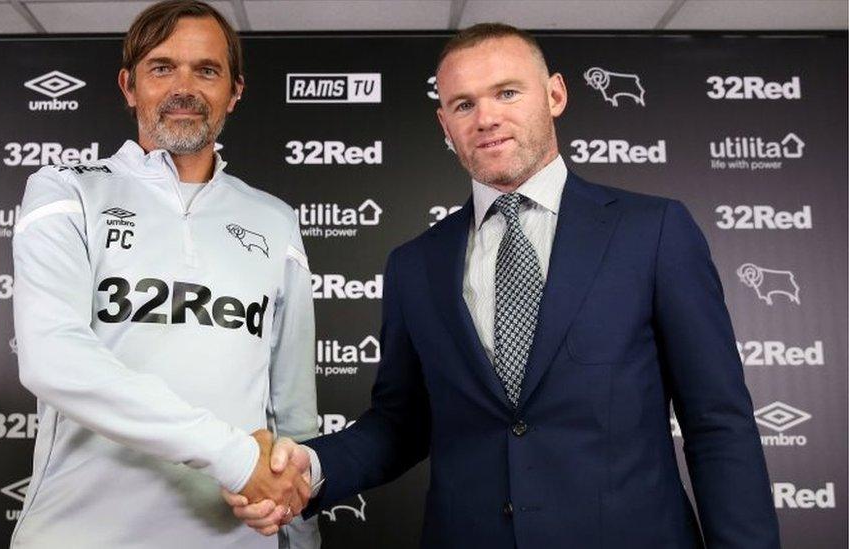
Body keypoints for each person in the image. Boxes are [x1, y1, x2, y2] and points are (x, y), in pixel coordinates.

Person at [225, 23, 780, 548]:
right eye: (463, 104)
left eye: (507, 93)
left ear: (555, 95)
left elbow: (718, 421)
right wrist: (314, 469)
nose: (485, 117)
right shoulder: (416, 264)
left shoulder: (653, 231)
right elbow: (401, 424)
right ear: (445, 125)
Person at [10, 1, 318, 547]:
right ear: (129, 86)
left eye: (207, 70)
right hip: (82, 533)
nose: (185, 87)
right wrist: (234, 456)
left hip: (237, 535)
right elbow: (53, 358)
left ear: (235, 92)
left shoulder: (275, 218)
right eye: (161, 67)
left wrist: (298, 526)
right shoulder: (66, 190)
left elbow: (292, 403)